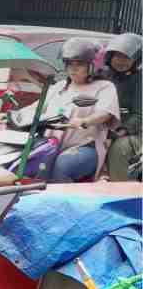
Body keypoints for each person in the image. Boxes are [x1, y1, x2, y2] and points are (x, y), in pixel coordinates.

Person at [46, 38, 119, 182]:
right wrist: (12, 116)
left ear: (92, 66)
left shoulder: (104, 87)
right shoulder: (59, 87)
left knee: (64, 165)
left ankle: (61, 203)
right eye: (69, 63)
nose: (73, 68)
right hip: (50, 144)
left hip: (85, 146)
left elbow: (105, 113)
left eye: (79, 64)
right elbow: (37, 108)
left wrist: (85, 121)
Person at [101, 32, 141, 181]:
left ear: (136, 60)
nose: (121, 61)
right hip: (102, 125)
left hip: (132, 132)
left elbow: (139, 116)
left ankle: (119, 189)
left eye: (127, 57)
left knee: (120, 148)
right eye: (117, 56)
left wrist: (116, 133)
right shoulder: (104, 75)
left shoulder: (139, 79)